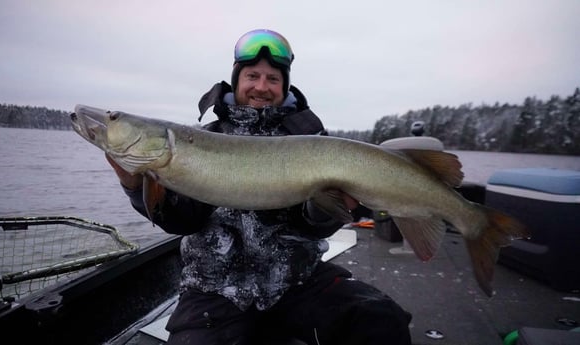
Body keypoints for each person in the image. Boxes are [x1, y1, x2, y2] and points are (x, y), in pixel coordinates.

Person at [107, 29, 412, 345]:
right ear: (237, 81)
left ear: (285, 86)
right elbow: (183, 220)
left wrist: (330, 207)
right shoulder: (200, 140)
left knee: (380, 322)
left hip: (296, 280)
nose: (261, 87)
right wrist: (133, 185)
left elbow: (312, 228)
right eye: (252, 76)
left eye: (273, 79)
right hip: (214, 287)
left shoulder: (313, 141)